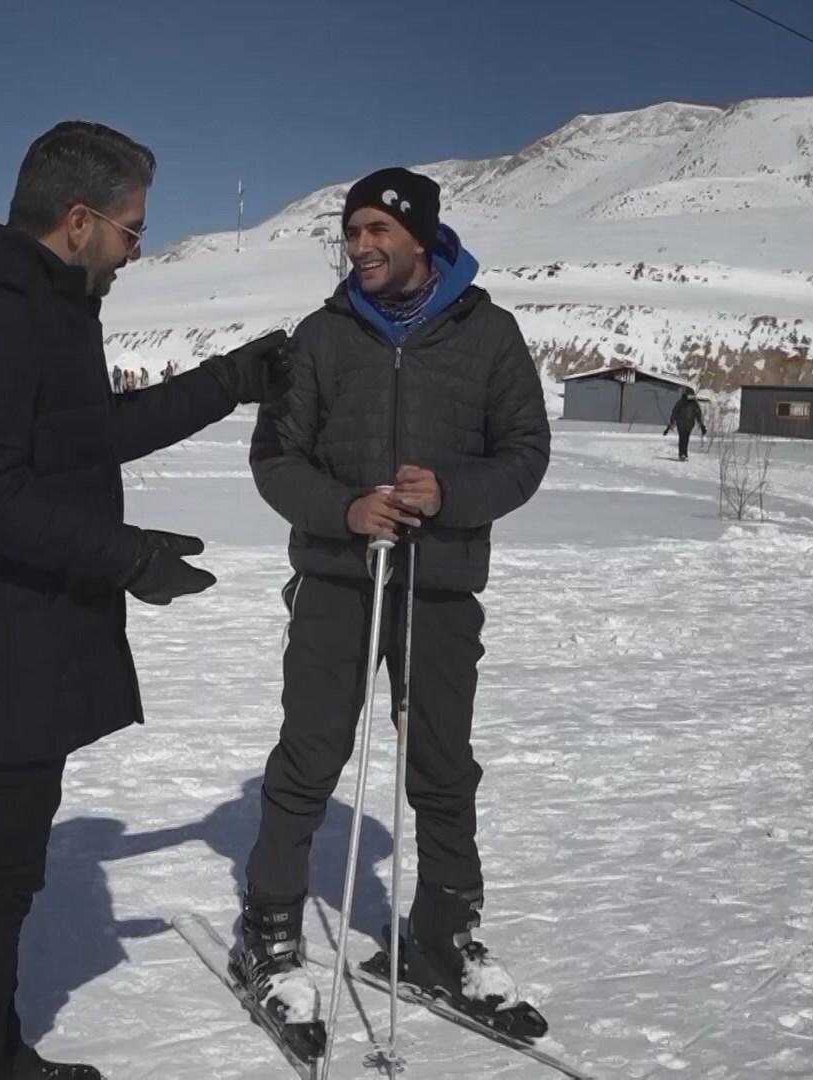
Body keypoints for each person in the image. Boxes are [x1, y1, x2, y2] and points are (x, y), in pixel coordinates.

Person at [0, 120, 292, 1080]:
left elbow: (89, 434)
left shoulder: (40, 303)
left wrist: (229, 381)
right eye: (133, 230)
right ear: (80, 219)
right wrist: (127, 558)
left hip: (23, 636)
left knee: (5, 878)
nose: (136, 251)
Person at [234, 166, 552, 1052]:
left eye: (378, 230)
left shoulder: (489, 334)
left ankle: (443, 936)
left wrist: (450, 492)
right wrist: (345, 509)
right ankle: (268, 931)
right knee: (309, 758)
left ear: (421, 237)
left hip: (440, 587)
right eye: (351, 232)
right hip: (339, 581)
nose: (361, 247)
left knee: (444, 768)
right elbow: (275, 458)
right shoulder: (322, 336)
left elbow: (525, 452)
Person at [664, 387, 706, 461]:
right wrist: (671, 423)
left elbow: (698, 414)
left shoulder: (694, 404)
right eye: (690, 395)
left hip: (690, 424)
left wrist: (701, 424)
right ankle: (682, 454)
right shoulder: (680, 403)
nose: (691, 396)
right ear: (686, 394)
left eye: (692, 395)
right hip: (681, 423)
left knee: (686, 439)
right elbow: (674, 412)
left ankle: (685, 454)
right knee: (682, 438)